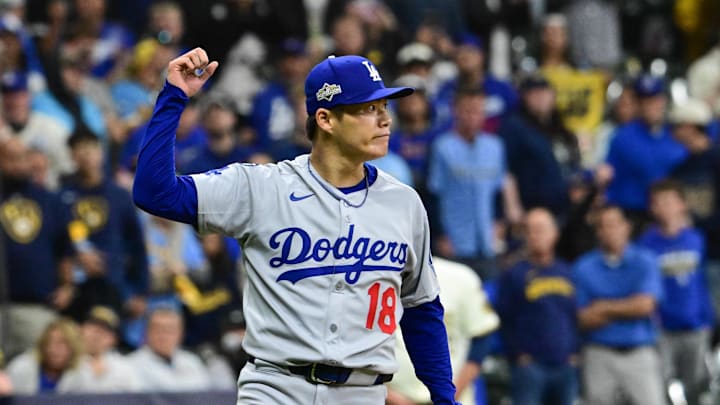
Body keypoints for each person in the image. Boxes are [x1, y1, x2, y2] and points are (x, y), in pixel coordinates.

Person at [132, 48, 458, 404]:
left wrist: (445, 397)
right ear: (325, 119)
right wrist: (174, 97)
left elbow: (421, 308)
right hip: (276, 388)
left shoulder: (404, 203)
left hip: (363, 393)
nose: (384, 120)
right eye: (368, 108)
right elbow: (155, 192)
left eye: (384, 108)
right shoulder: (262, 187)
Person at [573, 205, 665, 405]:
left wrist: (603, 306)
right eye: (604, 226)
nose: (610, 230)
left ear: (626, 227)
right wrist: (628, 306)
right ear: (597, 232)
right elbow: (583, 318)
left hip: (639, 351)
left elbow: (645, 306)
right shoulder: (583, 267)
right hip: (598, 352)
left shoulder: (645, 260)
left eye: (615, 224)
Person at [428, 87, 523, 280]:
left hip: (488, 241)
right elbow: (432, 195)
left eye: (478, 111)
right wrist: (439, 235)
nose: (473, 117)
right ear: (456, 111)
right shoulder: (442, 147)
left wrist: (501, 223)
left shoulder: (495, 146)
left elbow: (499, 191)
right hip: (454, 241)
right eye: (467, 110)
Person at [638, 180, 714, 405]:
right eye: (659, 203)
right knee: (663, 389)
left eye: (670, 201)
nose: (666, 208)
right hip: (663, 330)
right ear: (652, 208)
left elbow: (702, 282)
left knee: (698, 388)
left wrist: (707, 319)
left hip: (695, 327)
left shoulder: (696, 239)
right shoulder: (645, 245)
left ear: (682, 204)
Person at [387, 256, 499, 405]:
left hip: (453, 396)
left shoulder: (460, 277)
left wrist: (447, 398)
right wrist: (388, 395)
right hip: (384, 398)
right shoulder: (365, 277)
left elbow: (481, 340)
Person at [0, 137, 75, 359]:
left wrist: (67, 286)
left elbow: (64, 249)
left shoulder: (50, 201)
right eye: (11, 159)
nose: (19, 164)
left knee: (36, 372)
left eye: (23, 158)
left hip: (36, 306)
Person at [496, 208, 578, 405]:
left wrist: (575, 353)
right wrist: (517, 355)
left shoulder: (567, 271)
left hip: (565, 364)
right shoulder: (513, 274)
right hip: (530, 366)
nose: (536, 235)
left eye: (541, 229)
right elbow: (502, 317)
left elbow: (576, 315)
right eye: (530, 230)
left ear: (555, 233)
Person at [57, 306, 142, 393]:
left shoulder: (124, 368)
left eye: (104, 330)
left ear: (114, 339)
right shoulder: (65, 360)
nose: (97, 334)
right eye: (92, 326)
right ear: (81, 329)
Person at [127, 306, 211, 392]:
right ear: (147, 332)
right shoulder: (130, 365)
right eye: (158, 329)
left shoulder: (192, 362)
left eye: (170, 330)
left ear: (180, 333)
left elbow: (206, 397)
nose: (163, 336)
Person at [6, 318, 83, 394]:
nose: (53, 349)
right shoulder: (21, 367)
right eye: (49, 342)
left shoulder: (81, 373)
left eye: (61, 343)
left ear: (73, 346)